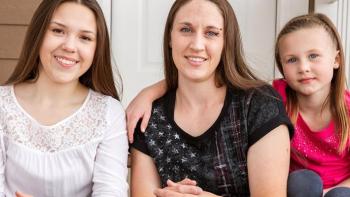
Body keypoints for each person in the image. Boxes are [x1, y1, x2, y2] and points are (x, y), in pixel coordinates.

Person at [129, 0, 294, 196]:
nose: (197, 45)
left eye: (211, 33)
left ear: (226, 42)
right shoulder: (149, 118)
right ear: (170, 38)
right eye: (185, 29)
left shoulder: (259, 104)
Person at [0, 0, 128, 196]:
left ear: (97, 49)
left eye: (85, 37)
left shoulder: (109, 113)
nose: (69, 46)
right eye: (58, 31)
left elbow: (111, 191)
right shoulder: (2, 104)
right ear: (39, 34)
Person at [273, 13, 350, 197]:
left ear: (336, 60)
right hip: (299, 189)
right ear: (282, 66)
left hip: (341, 189)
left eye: (313, 56)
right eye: (292, 60)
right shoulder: (275, 97)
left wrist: (326, 193)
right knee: (304, 182)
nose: (303, 67)